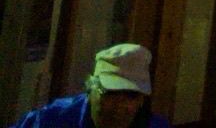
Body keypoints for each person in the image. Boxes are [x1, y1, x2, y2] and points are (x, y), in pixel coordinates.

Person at [12, 39, 156, 128]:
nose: (120, 104)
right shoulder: (50, 119)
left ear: (141, 101)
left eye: (131, 95)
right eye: (111, 93)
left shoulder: (154, 125)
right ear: (90, 89)